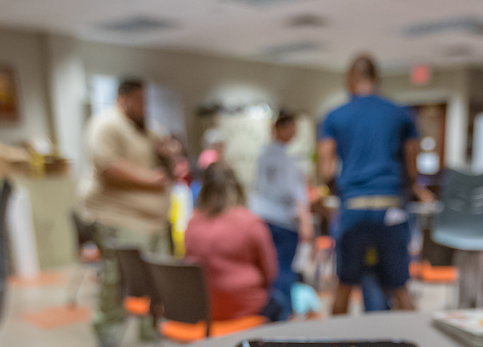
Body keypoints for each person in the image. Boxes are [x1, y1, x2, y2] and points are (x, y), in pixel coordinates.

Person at [318, 53, 431, 315]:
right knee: (399, 287)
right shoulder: (402, 114)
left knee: (344, 285)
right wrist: (410, 187)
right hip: (390, 206)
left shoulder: (335, 116)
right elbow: (412, 167)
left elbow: (326, 169)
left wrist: (339, 188)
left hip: (354, 207)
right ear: (376, 78)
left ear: (350, 80)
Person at [78, 78, 173, 347]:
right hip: (119, 218)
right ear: (123, 99)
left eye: (146, 101)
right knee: (117, 277)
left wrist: (168, 153)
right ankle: (107, 327)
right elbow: (107, 166)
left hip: (153, 221)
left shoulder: (147, 128)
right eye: (139, 101)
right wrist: (150, 179)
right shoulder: (106, 124)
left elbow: (165, 154)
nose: (144, 106)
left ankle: (151, 327)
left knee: (158, 278)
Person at [183, 163, 287, 323]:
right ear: (237, 186)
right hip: (246, 309)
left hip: (205, 312)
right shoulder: (250, 222)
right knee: (282, 301)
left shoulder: (192, 222)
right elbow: (271, 272)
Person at [250, 111, 312, 308]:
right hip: (282, 221)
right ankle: (283, 315)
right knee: (283, 271)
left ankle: (275, 312)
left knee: (270, 269)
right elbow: (292, 193)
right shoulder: (283, 157)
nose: (294, 132)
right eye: (291, 127)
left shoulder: (265, 153)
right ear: (280, 128)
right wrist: (305, 220)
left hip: (265, 217)